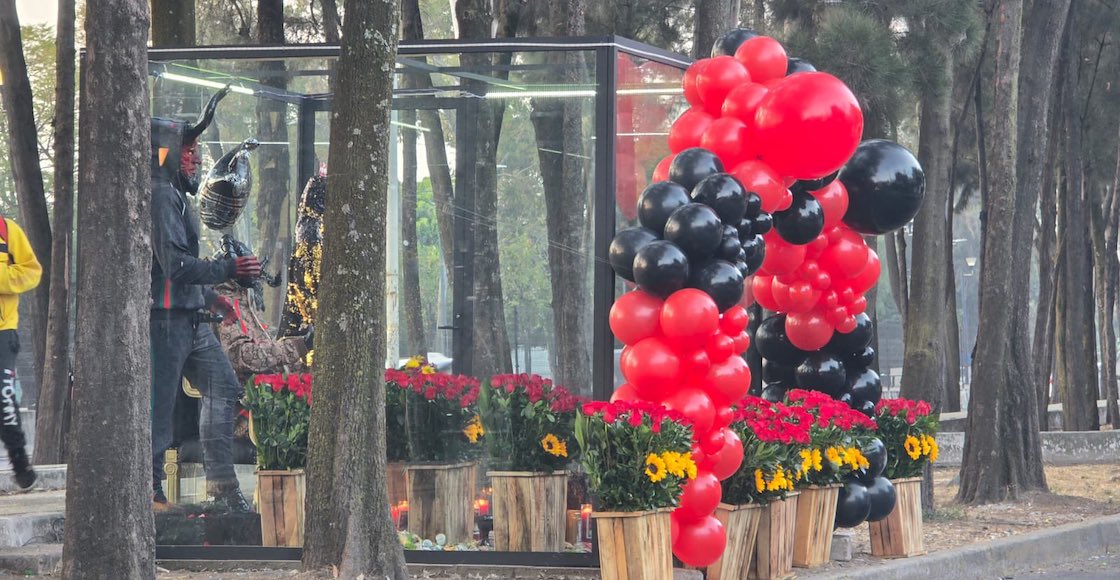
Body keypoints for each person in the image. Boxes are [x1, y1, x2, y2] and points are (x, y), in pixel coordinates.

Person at [149, 87, 259, 513]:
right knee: (160, 409)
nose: (195, 158)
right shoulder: (160, 196)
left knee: (224, 385)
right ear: (167, 153)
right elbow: (174, 266)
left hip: (191, 315)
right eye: (188, 149)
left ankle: (222, 487)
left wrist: (213, 296)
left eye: (195, 149)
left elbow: (179, 268)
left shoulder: (176, 195)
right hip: (165, 319)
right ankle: (150, 492)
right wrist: (228, 272)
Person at [0, 216, 42, 490]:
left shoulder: (7, 229)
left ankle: (20, 463)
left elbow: (32, 271)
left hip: (3, 330)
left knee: (4, 400)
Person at [213, 279, 312, 383]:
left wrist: (293, 337)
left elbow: (262, 337)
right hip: (274, 391)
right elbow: (248, 357)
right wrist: (298, 346)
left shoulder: (240, 293)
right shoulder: (221, 306)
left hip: (295, 377)